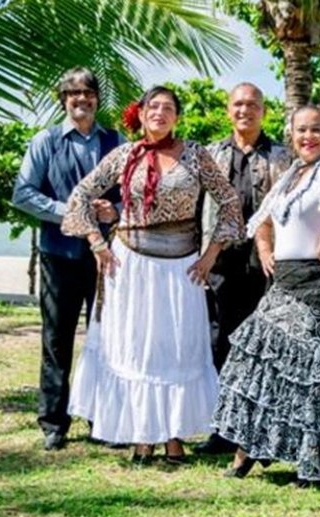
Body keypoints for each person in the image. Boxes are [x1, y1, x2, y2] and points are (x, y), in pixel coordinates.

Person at [60, 85, 244, 465]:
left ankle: (174, 437)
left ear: (177, 117)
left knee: (175, 348)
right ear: (141, 114)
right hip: (130, 265)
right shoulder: (125, 155)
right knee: (137, 348)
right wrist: (96, 242)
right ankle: (141, 437)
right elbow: (79, 196)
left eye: (168, 108)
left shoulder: (196, 155)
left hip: (181, 267)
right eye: (153, 107)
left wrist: (212, 253)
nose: (160, 113)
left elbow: (229, 201)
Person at [211, 105, 320, 485]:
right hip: (284, 278)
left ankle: (316, 462)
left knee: (308, 372)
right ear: (291, 135)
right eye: (301, 131)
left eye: (316, 130)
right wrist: (265, 251)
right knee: (257, 361)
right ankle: (247, 450)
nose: (308, 137)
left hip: (315, 279)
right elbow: (261, 219)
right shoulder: (291, 173)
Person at [12, 67, 124, 451]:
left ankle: (103, 419)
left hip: (107, 259)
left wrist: (116, 210)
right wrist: (70, 212)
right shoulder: (45, 142)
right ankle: (54, 422)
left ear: (97, 99)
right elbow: (23, 193)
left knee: (107, 339)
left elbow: (131, 194)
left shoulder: (117, 141)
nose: (81, 99)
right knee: (57, 339)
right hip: (59, 255)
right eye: (73, 93)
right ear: (63, 99)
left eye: (88, 92)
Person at [194, 83, 292, 456]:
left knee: (263, 346)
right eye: (238, 104)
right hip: (220, 261)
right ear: (227, 109)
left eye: (252, 104)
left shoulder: (283, 156)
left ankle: (259, 431)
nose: (244, 110)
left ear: (264, 111)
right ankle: (224, 428)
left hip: (267, 264)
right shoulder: (211, 154)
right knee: (220, 343)